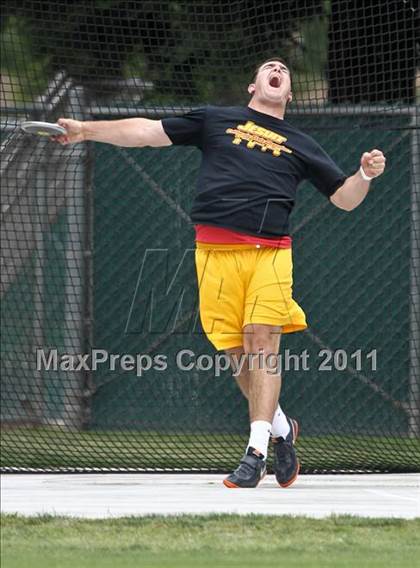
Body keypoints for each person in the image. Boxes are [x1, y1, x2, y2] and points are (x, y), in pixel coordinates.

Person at [55, 57, 386, 488]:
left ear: (287, 94)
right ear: (253, 86)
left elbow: (344, 198)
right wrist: (85, 130)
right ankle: (282, 429)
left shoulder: (301, 143)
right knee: (239, 356)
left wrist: (363, 173)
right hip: (214, 254)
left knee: (261, 339)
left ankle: (255, 454)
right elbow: (146, 132)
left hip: (269, 253)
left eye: (284, 70)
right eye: (269, 66)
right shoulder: (216, 120)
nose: (277, 69)